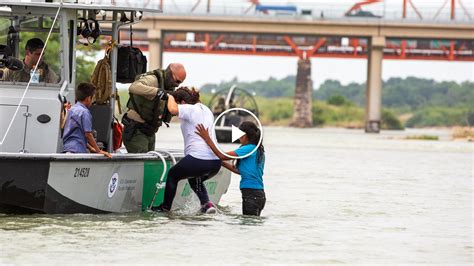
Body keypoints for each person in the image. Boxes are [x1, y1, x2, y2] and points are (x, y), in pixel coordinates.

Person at [152, 87, 221, 214]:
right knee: (195, 179)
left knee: (173, 175)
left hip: (199, 159)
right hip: (215, 162)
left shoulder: (189, 108)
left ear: (182, 103)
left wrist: (170, 96)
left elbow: (172, 109)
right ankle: (207, 204)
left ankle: (165, 208)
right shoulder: (205, 109)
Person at [196, 121, 266, 216]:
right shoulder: (258, 150)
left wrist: (207, 138)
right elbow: (239, 171)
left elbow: (222, 155)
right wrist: (221, 163)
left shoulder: (248, 149)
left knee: (247, 227)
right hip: (258, 195)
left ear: (244, 135)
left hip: (251, 195)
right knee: (251, 227)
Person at [122, 63, 186, 153]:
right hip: (136, 131)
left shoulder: (169, 87)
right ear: (170, 74)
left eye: (180, 83)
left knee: (150, 164)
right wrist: (157, 92)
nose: (177, 85)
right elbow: (133, 87)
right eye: (177, 81)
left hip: (150, 132)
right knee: (142, 163)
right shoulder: (152, 79)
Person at [63, 82, 111, 158]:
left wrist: (91, 148)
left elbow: (78, 135)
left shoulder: (72, 109)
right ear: (88, 98)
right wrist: (99, 150)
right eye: (92, 98)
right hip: (77, 151)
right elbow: (88, 134)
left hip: (68, 149)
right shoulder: (84, 112)